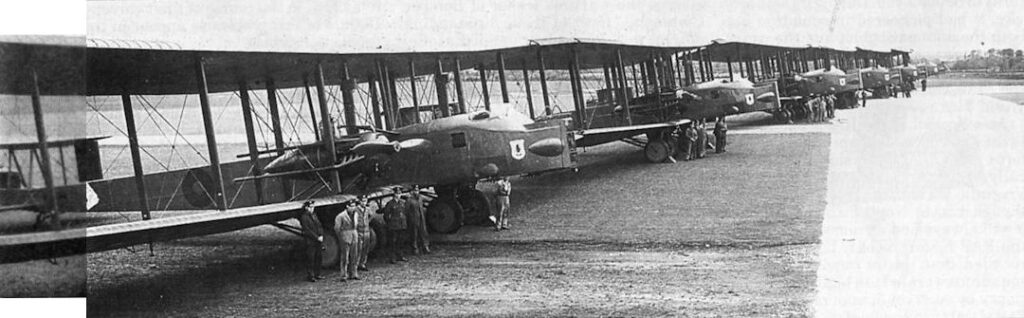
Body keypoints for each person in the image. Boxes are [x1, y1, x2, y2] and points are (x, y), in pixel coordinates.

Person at [298, 201, 325, 282]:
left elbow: (319, 225)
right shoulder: (304, 217)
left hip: (318, 240)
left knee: (318, 257)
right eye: (310, 207)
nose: (312, 209)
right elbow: (307, 230)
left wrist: (321, 235)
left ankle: (318, 274)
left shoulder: (314, 215)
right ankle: (311, 276)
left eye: (313, 207)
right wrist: (317, 237)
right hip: (311, 241)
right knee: (311, 258)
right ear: (306, 208)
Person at [333, 202, 360, 281]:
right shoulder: (341, 216)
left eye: (354, 206)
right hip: (345, 235)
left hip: (354, 235)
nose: (353, 208)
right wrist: (342, 237)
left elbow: (356, 224)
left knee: (354, 255)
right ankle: (344, 275)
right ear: (347, 206)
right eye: (351, 206)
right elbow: (337, 228)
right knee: (345, 257)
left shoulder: (356, 214)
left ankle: (354, 273)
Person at [382, 190, 408, 264]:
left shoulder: (402, 203)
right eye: (397, 193)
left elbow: (404, 213)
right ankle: (392, 258)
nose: (398, 195)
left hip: (401, 225)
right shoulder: (390, 204)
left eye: (400, 193)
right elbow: (386, 215)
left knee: (401, 241)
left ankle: (400, 255)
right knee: (393, 242)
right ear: (394, 194)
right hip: (393, 226)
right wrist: (390, 223)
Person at [405, 186, 430, 254]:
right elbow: (406, 211)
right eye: (415, 190)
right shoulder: (409, 200)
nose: (417, 192)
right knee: (414, 234)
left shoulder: (420, 199)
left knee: (423, 233)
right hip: (413, 219)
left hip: (421, 218)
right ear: (412, 192)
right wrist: (409, 219)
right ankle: (415, 248)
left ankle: (425, 246)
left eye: (417, 190)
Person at [355, 196, 373, 272]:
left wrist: (368, 222)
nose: (364, 203)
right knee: (359, 249)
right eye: (362, 201)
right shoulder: (356, 209)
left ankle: (362, 264)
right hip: (359, 231)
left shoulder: (367, 209)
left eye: (365, 201)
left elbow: (371, 215)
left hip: (366, 231)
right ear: (359, 201)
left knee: (365, 249)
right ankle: (356, 264)